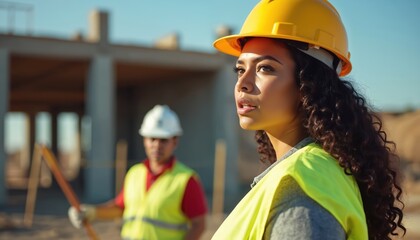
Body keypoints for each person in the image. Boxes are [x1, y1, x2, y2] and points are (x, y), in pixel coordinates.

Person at [212, 0, 405, 239]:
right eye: (240, 69)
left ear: (310, 84)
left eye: (265, 68)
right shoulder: (307, 173)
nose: (243, 83)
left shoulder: (303, 183)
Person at [68, 105, 208, 240]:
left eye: (163, 140)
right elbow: (121, 207)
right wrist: (92, 212)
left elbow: (199, 225)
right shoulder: (135, 173)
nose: (156, 145)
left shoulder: (186, 180)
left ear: (175, 142)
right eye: (152, 138)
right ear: (144, 140)